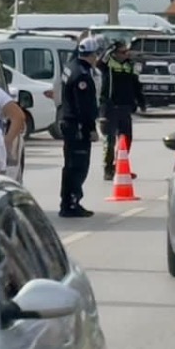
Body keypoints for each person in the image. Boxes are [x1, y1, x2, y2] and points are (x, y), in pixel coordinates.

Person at [58, 37, 103, 218]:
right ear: (92, 54)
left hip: (68, 122)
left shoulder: (70, 66)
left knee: (70, 165)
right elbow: (83, 107)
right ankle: (71, 202)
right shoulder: (82, 75)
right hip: (77, 126)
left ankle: (67, 201)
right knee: (78, 166)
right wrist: (90, 128)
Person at [99, 38, 145, 181]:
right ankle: (108, 168)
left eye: (127, 51)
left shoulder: (130, 66)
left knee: (126, 139)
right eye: (122, 52)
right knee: (110, 139)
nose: (126, 54)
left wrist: (141, 102)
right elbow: (99, 63)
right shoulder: (108, 64)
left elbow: (136, 85)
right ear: (114, 53)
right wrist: (108, 50)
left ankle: (120, 166)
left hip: (125, 108)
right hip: (110, 107)